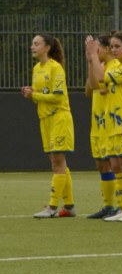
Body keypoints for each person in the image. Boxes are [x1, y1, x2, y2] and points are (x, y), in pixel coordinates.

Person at [86, 31, 122, 221]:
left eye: (117, 46)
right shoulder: (116, 66)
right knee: (117, 165)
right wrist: (92, 60)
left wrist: (94, 56)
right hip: (111, 123)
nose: (114, 50)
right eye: (112, 47)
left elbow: (102, 79)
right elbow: (97, 87)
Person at [23, 34, 75, 217]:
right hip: (45, 120)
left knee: (57, 162)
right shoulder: (37, 68)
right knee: (59, 162)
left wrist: (34, 96)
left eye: (36, 44)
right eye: (32, 44)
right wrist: (31, 92)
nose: (32, 47)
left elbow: (58, 97)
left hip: (59, 117)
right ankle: (69, 207)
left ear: (47, 48)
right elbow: (41, 96)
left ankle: (52, 207)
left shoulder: (56, 68)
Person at [84, 35, 119, 219]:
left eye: (97, 48)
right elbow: (89, 90)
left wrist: (94, 62)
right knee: (101, 165)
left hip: (110, 122)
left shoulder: (113, 67)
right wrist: (91, 62)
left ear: (106, 49)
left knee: (115, 163)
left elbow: (101, 86)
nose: (94, 51)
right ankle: (108, 205)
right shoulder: (99, 67)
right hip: (97, 122)